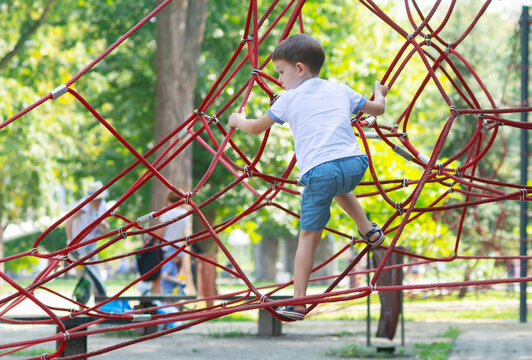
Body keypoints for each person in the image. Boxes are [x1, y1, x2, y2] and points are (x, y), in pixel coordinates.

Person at [228, 33, 388, 321]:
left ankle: (299, 302)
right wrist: (380, 91)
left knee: (308, 237)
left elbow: (254, 128)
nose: (279, 79)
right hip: (355, 165)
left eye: (281, 72)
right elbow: (378, 109)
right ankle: (369, 230)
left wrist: (238, 120)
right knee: (337, 185)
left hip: (320, 171)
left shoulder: (288, 99)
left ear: (299, 69)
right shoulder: (340, 89)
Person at [65, 181, 109, 301]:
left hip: (91, 247)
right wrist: (70, 243)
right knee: (83, 279)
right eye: (95, 200)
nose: (98, 203)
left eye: (99, 200)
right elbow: (68, 220)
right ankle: (81, 309)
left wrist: (103, 225)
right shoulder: (84, 205)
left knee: (96, 277)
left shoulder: (102, 205)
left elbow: (103, 225)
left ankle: (99, 307)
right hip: (77, 249)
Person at [151, 190, 191, 294]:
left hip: (165, 247)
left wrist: (153, 242)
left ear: (169, 200)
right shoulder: (185, 214)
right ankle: (175, 298)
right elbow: (183, 233)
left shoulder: (166, 212)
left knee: (162, 276)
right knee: (175, 274)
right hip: (178, 248)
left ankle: (161, 300)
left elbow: (160, 231)